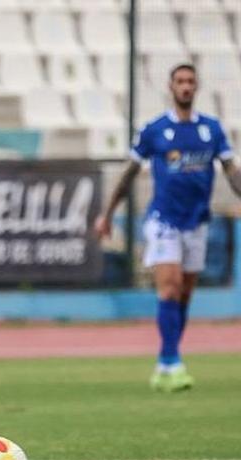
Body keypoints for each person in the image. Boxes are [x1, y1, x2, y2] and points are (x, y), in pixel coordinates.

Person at [95, 64, 240, 392]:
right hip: (164, 220)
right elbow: (129, 173)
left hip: (197, 222)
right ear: (171, 87)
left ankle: (165, 360)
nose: (185, 87)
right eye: (180, 81)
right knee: (170, 287)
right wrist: (107, 213)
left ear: (197, 87)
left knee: (185, 294)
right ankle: (173, 362)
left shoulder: (212, 130)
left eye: (190, 81)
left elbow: (231, 171)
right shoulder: (155, 130)